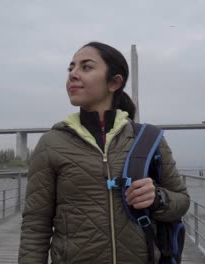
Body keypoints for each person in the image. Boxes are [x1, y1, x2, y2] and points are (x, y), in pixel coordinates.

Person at [18, 41, 190, 264]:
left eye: (86, 67)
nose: (73, 75)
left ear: (114, 82)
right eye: (71, 69)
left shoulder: (148, 139)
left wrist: (157, 198)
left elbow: (182, 201)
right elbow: (35, 225)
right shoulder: (51, 143)